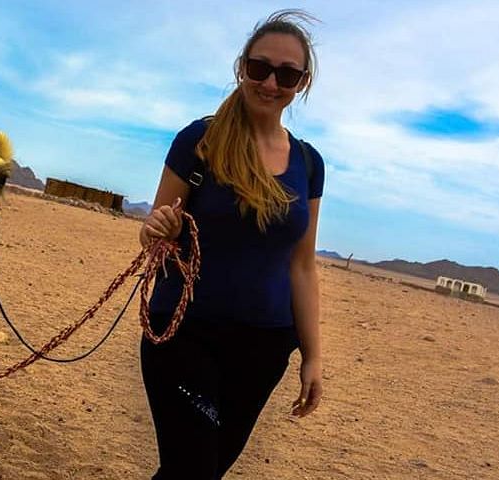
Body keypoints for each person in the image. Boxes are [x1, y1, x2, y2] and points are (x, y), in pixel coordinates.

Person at [138, 9, 324, 479]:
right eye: (260, 68)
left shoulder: (308, 163)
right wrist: (159, 228)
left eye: (287, 74)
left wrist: (312, 356)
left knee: (196, 471)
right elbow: (153, 232)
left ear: (301, 83)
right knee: (193, 470)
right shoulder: (199, 141)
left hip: (264, 348)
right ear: (242, 67)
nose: (271, 83)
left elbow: (302, 266)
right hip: (184, 334)